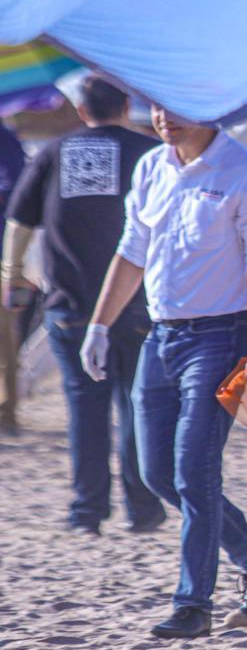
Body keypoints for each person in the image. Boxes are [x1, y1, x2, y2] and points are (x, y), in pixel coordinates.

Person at [81, 104, 247, 639]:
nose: (162, 117)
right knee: (155, 474)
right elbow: (132, 251)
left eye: (173, 107)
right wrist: (99, 325)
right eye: (154, 107)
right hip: (162, 337)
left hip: (224, 338)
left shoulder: (245, 172)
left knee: (193, 474)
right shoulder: (151, 167)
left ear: (207, 109)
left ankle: (193, 604)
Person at [3, 75, 165, 536]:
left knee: (85, 409)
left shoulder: (55, 152)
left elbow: (19, 221)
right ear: (127, 104)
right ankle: (144, 509)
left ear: (80, 110)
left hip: (69, 304)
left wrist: (10, 276)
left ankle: (86, 512)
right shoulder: (150, 152)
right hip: (138, 303)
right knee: (137, 404)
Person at [0, 121, 26, 435]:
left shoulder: (4, 137)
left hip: (3, 254)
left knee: (5, 336)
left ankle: (7, 411)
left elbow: (17, 186)